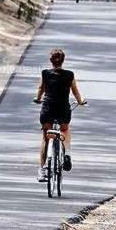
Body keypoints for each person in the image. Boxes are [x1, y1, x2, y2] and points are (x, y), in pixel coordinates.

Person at [33, 48, 86, 182]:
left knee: (46, 137)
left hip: (48, 108)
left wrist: (38, 98)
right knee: (65, 129)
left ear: (50, 61)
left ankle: (43, 170)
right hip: (63, 109)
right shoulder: (70, 75)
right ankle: (67, 153)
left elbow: (41, 89)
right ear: (63, 61)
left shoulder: (45, 74)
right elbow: (75, 91)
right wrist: (80, 101)